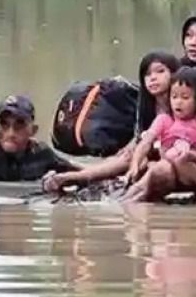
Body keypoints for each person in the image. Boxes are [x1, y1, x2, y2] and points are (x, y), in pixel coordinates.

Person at [42, 51, 180, 193]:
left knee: (140, 162)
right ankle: (78, 174)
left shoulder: (181, 103)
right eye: (148, 74)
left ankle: (80, 175)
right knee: (128, 156)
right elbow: (142, 134)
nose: (153, 78)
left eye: (160, 72)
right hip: (149, 152)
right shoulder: (146, 105)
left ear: (175, 74)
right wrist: (131, 146)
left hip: (174, 156)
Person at [122, 67, 196, 203]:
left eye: (185, 97)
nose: (178, 102)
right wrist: (134, 166)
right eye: (174, 96)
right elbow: (145, 143)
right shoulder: (164, 120)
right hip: (169, 173)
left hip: (191, 174)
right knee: (157, 170)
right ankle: (127, 200)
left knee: (179, 160)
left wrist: (189, 155)